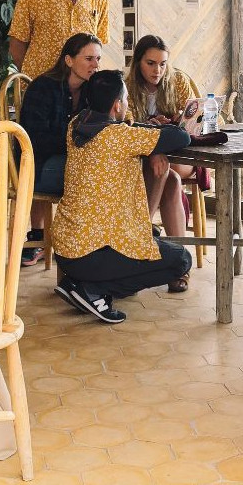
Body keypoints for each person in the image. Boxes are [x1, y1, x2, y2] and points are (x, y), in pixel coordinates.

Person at [51, 70, 193, 323]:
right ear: (117, 105)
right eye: (125, 99)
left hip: (65, 249)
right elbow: (179, 137)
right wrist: (156, 142)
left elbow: (127, 129)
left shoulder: (76, 125)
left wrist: (148, 141)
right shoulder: (121, 137)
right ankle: (94, 290)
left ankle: (78, 282)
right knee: (180, 260)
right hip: (94, 254)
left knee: (153, 237)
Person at [17, 33, 102, 266]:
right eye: (88, 59)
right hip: (37, 165)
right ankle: (75, 245)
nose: (95, 65)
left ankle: (90, 242)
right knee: (89, 173)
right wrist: (76, 140)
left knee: (100, 168)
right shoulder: (43, 87)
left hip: (69, 161)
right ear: (68, 60)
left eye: (98, 59)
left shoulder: (91, 91)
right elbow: (35, 140)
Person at [125, 35, 201, 249]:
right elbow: (127, 124)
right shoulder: (127, 87)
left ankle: (143, 231)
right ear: (138, 61)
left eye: (163, 64)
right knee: (172, 180)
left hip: (180, 155)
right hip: (144, 156)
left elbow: (199, 117)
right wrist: (151, 124)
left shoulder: (177, 81)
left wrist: (180, 120)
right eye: (150, 63)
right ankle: (180, 259)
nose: (157, 70)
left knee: (167, 169)